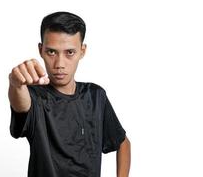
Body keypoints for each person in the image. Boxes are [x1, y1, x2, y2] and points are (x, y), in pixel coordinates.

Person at [8, 11, 131, 177]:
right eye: (51, 52)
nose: (60, 64)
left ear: (82, 51)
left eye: (69, 53)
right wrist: (15, 84)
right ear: (41, 50)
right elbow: (21, 103)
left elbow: (122, 142)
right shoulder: (35, 97)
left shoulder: (95, 96)